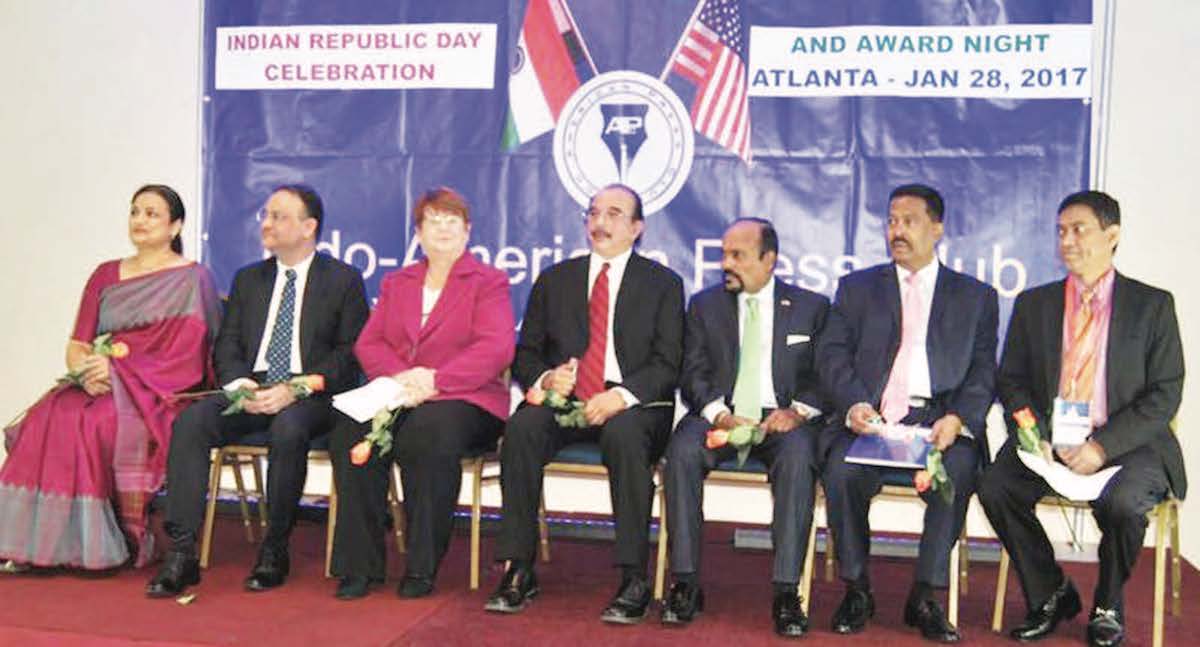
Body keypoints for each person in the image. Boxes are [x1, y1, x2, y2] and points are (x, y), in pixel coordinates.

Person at [978, 190, 1184, 647]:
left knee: (1124, 505)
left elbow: (1165, 393)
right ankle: (1051, 591)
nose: (1066, 241)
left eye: (1078, 230)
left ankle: (1108, 603)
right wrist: (1034, 433)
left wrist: (1101, 447)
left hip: (1128, 442)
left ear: (1112, 236)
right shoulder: (1035, 305)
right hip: (1052, 438)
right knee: (995, 486)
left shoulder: (1152, 306)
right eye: (1060, 231)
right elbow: (1011, 380)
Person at [146, 184, 369, 597]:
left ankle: (275, 546)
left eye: (279, 216)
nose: (267, 223)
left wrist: (295, 387)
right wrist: (238, 385)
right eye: (265, 215)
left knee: (288, 427)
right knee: (192, 422)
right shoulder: (249, 278)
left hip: (311, 396)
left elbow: (349, 355)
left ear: (308, 227)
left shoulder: (342, 280)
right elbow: (227, 344)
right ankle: (181, 552)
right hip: (251, 388)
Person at [485, 184, 684, 624]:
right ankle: (519, 567)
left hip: (632, 402)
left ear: (637, 228)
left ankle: (634, 576)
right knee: (522, 429)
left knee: (625, 435)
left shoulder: (662, 284)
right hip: (567, 398)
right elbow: (526, 352)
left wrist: (621, 395)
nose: (600, 222)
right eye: (594, 213)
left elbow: (669, 363)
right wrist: (546, 378)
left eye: (614, 214)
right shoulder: (556, 279)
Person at [0, 184, 220, 572]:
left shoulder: (192, 279)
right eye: (135, 211)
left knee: (93, 423)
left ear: (176, 225)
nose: (140, 220)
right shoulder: (105, 274)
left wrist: (120, 372)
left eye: (152, 213)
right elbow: (77, 341)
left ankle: (99, 543)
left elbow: (188, 360)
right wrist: (85, 371)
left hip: (154, 395)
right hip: (98, 383)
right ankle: (36, 544)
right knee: (50, 416)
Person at [817, 184, 998, 643]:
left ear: (937, 228)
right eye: (892, 221)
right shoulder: (857, 289)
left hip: (939, 418)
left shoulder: (975, 296)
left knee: (955, 473)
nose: (897, 231)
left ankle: (926, 594)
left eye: (909, 221)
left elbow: (982, 372)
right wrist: (855, 404)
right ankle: (857, 588)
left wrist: (958, 418)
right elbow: (832, 355)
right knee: (840, 471)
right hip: (872, 416)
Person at [330, 187, 515, 600]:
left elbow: (496, 347)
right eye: (435, 220)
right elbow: (369, 343)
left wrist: (436, 380)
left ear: (468, 231)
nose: (444, 228)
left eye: (453, 220)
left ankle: (421, 565)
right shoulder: (398, 282)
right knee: (349, 428)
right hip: (400, 392)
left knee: (428, 432)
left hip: (467, 399)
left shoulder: (488, 282)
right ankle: (360, 565)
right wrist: (403, 378)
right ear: (419, 231)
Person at [660, 218, 829, 637]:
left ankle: (787, 592)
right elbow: (693, 372)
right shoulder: (704, 306)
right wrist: (718, 413)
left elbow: (824, 376)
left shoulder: (811, 308)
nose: (727, 264)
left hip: (781, 418)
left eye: (738, 255)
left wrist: (797, 412)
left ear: (769, 259)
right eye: (724, 255)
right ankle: (685, 582)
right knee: (681, 452)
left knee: (799, 457)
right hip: (722, 412)